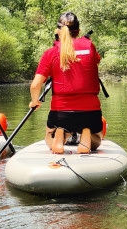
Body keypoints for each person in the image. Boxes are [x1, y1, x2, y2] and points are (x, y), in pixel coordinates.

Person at [29, 12, 103, 154]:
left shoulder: (50, 53)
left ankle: (60, 134)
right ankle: (86, 132)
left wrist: (34, 101)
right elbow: (96, 61)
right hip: (90, 112)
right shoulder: (90, 47)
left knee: (48, 138)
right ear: (78, 31)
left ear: (58, 31)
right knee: (98, 137)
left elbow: (35, 85)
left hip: (61, 113)